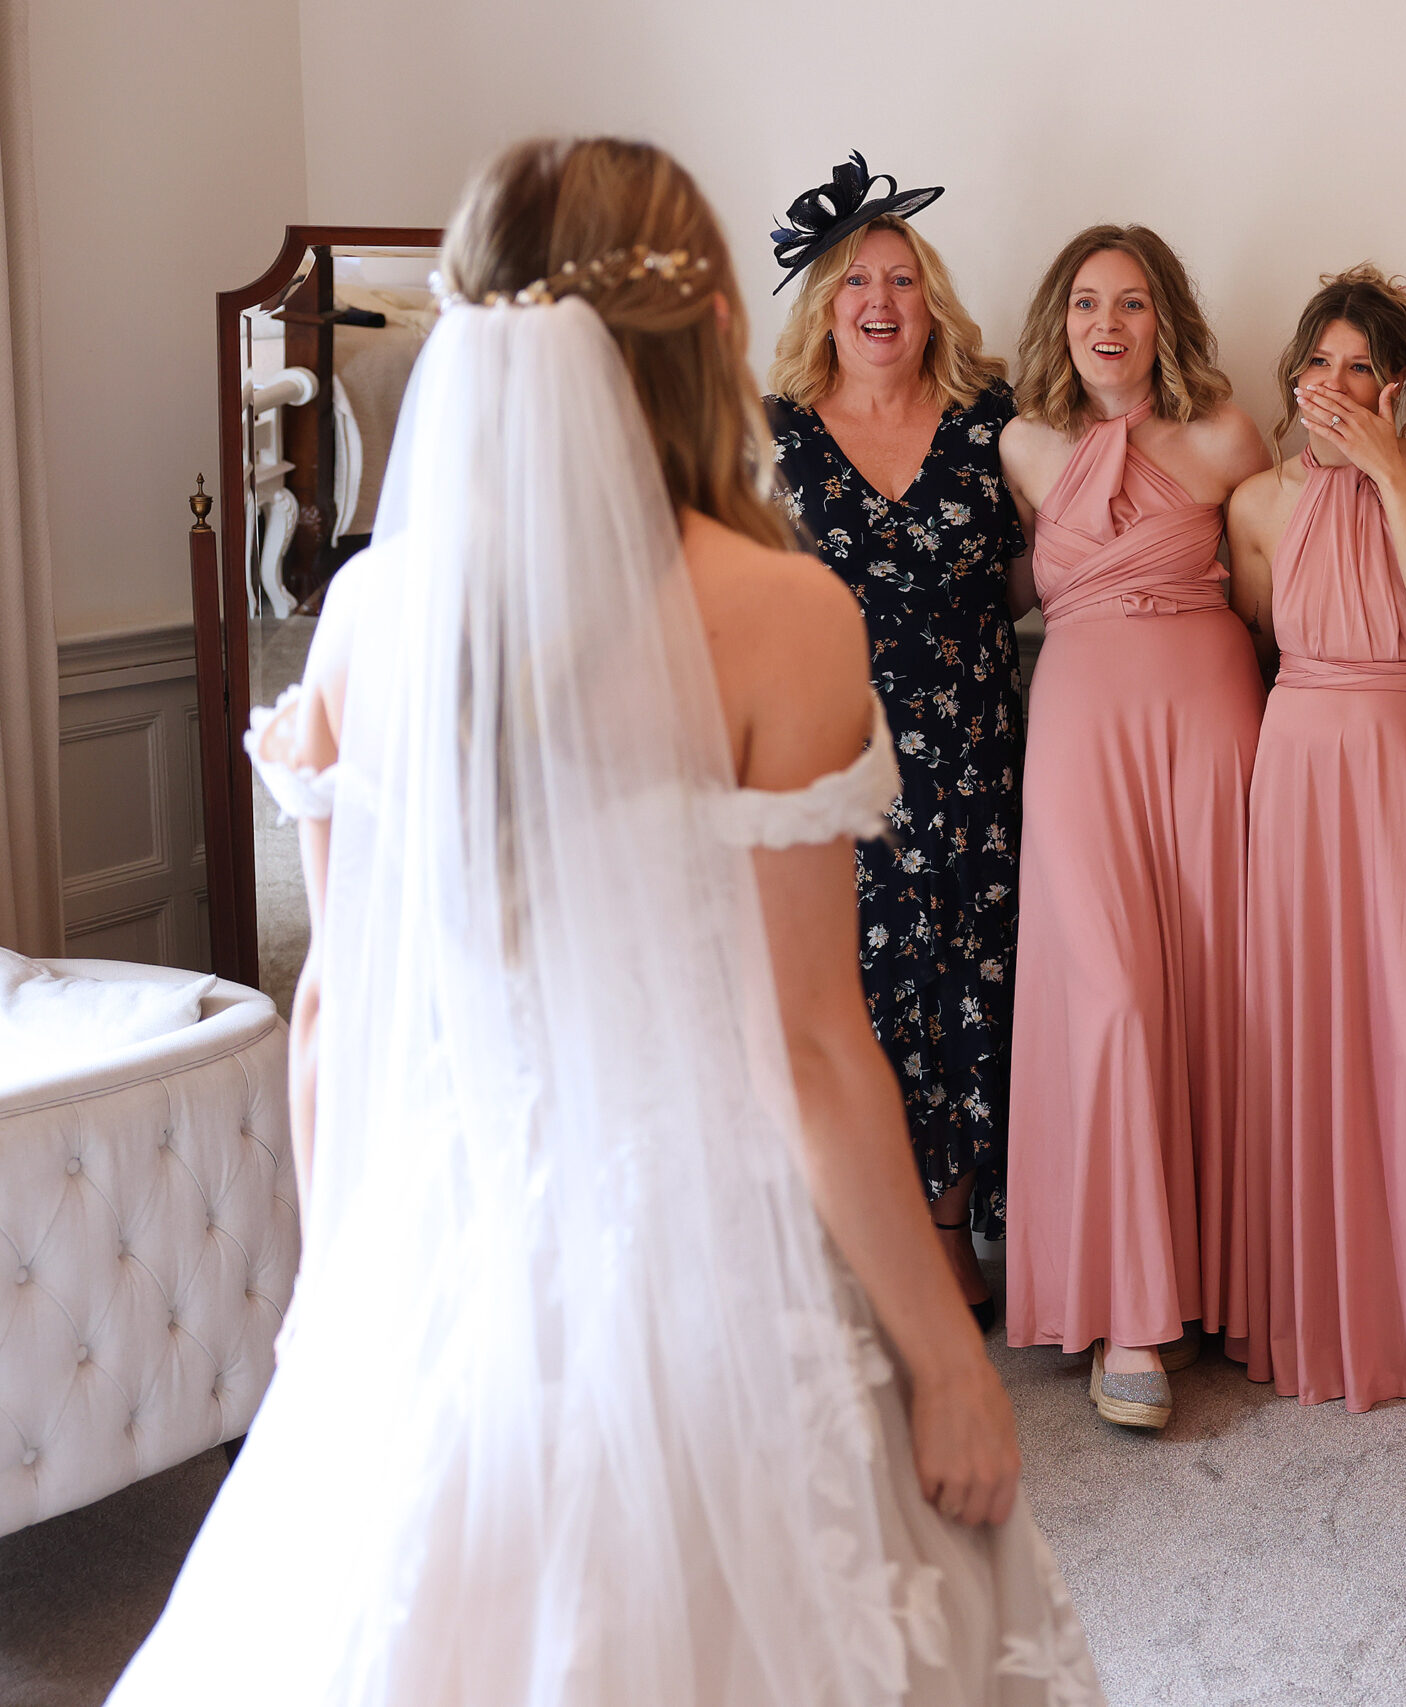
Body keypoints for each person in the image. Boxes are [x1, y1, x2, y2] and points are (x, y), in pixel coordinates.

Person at [110, 137, 1102, 1704]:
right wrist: (945, 1355)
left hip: (447, 1240)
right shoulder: (783, 612)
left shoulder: (370, 611)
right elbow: (810, 1046)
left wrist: (337, 1316)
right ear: (710, 328)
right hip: (710, 1247)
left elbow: (333, 1018)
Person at [1220, 266, 1406, 1441]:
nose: (1334, 386)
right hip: (1301, 767)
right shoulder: (1255, 501)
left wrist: (1384, 469)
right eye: (1319, 364)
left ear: (1396, 384)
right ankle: (1323, 1321)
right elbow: (1255, 640)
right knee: (1313, 1031)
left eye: (1360, 368)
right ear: (1294, 375)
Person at [999, 224, 1269, 1431]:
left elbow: (1269, 596)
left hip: (1209, 718)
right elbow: (1006, 583)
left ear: (1167, 322)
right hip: (1076, 723)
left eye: (1132, 303)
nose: (1106, 324)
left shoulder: (1227, 438)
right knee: (1105, 994)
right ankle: (1126, 1308)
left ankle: (1200, 1278)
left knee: (1208, 988)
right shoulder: (1021, 444)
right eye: (1085, 303)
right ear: (1059, 321)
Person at [766, 152, 1025, 1321]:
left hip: (973, 753)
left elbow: (1037, 574)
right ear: (825, 306)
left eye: (903, 280)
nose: (880, 300)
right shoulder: (773, 436)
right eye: (856, 281)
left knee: (973, 978)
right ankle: (863, 1227)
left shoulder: (993, 425)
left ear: (933, 303)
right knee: (858, 996)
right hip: (838, 760)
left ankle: (949, 1232)